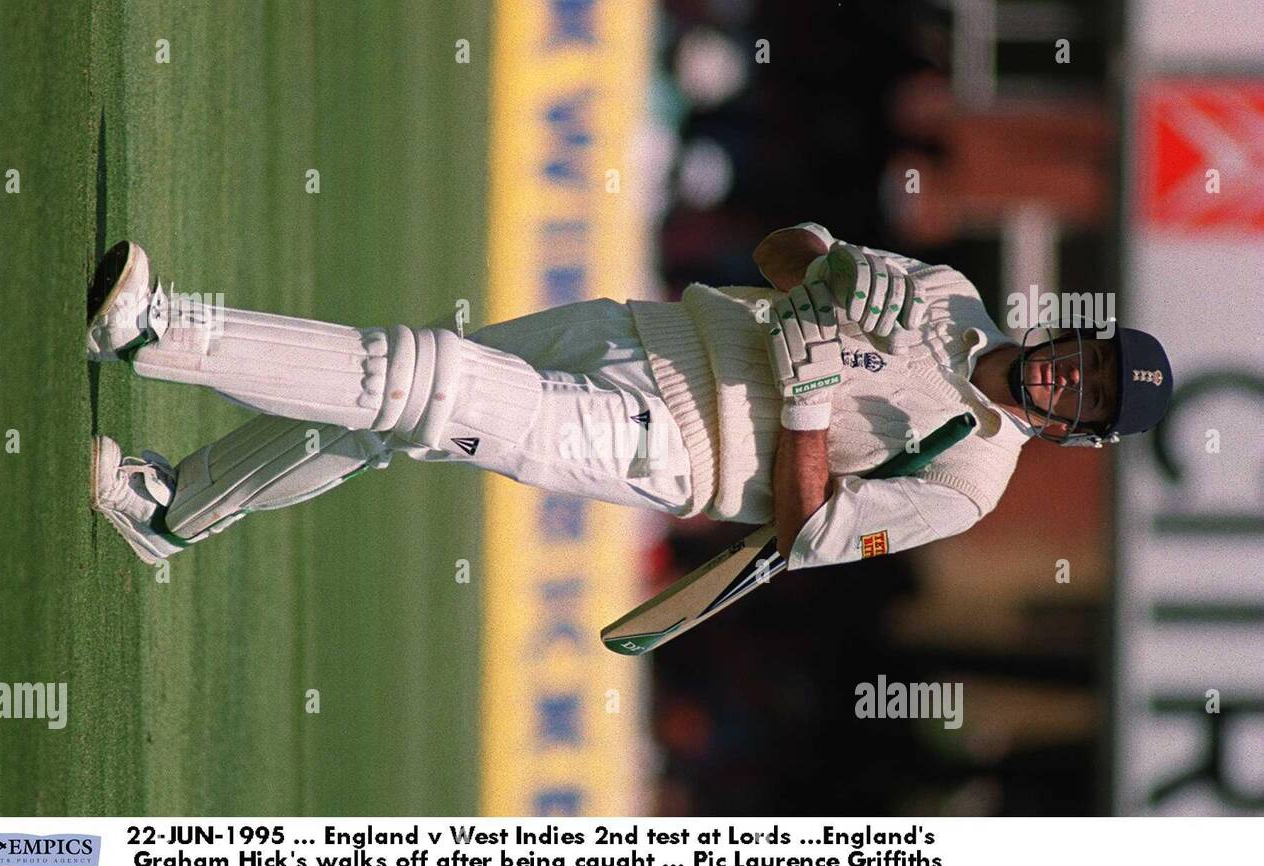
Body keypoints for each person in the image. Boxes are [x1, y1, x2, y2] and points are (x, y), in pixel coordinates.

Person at [86, 223, 1172, 567]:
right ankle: (177, 509)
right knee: (387, 420)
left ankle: (154, 328)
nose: (1075, 378)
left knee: (423, 379)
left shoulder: (972, 478)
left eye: (1091, 399)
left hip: (663, 444)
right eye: (1092, 358)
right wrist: (830, 262)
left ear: (1076, 433)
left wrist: (801, 405)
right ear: (1079, 331)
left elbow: (807, 537)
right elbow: (774, 251)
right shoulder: (954, 294)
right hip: (639, 328)